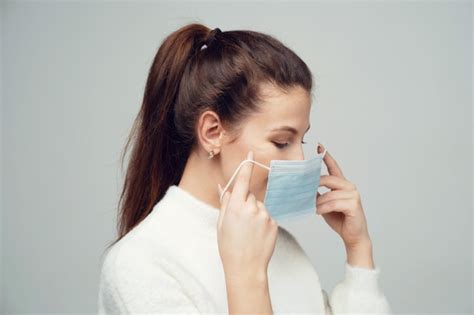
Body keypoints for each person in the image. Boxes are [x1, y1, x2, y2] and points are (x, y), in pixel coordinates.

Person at [97, 23, 392, 314]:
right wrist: (247, 277)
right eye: (281, 141)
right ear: (212, 132)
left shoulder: (276, 242)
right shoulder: (139, 264)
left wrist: (358, 248)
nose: (299, 161)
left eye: (301, 140)